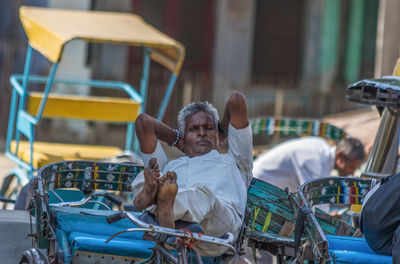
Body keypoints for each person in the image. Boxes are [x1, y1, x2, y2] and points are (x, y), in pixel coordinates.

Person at [131, 91, 253, 256]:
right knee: (150, 175)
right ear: (184, 137)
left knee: (202, 194)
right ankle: (152, 197)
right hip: (178, 222)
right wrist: (175, 138)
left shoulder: (236, 160)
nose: (202, 133)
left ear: (218, 133)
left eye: (208, 128)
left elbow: (236, 100)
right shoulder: (173, 165)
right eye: (193, 129)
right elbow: (144, 122)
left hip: (218, 227)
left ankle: (163, 210)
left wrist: (223, 131)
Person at [252, 136, 365, 192]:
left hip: (259, 185)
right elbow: (315, 203)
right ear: (340, 157)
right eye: (351, 167)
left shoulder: (320, 146)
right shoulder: (317, 163)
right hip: (254, 187)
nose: (351, 173)